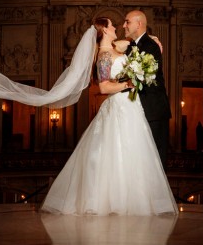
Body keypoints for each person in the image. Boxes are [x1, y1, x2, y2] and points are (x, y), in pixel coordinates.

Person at [41, 18, 177, 216]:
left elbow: (133, 42)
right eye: (112, 25)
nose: (117, 27)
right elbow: (104, 87)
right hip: (119, 104)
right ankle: (113, 202)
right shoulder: (104, 55)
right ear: (104, 30)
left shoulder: (116, 46)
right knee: (115, 153)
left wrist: (152, 39)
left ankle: (135, 201)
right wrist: (128, 84)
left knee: (136, 153)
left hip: (132, 106)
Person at [122, 9, 171, 166]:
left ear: (139, 24)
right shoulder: (129, 47)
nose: (123, 25)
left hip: (153, 111)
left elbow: (143, 77)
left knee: (155, 162)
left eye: (127, 22)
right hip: (136, 111)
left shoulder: (152, 46)